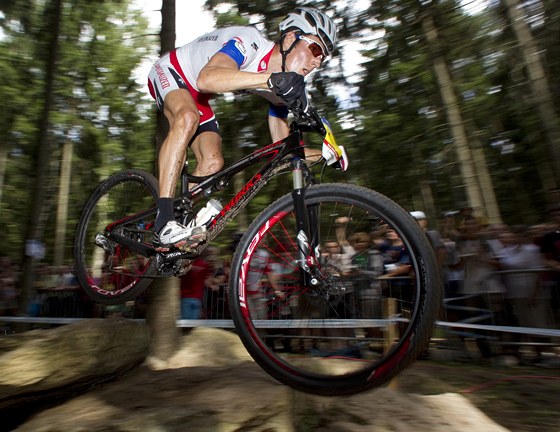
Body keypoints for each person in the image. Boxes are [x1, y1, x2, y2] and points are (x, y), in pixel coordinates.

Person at [147, 8, 338, 250]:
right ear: (290, 38)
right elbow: (207, 79)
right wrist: (270, 80)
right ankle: (164, 221)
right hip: (172, 71)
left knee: (213, 162)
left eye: (322, 58)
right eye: (316, 49)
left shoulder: (280, 86)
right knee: (186, 117)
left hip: (198, 99)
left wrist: (324, 153)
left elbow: (285, 149)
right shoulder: (250, 42)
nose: (317, 61)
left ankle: (179, 219)